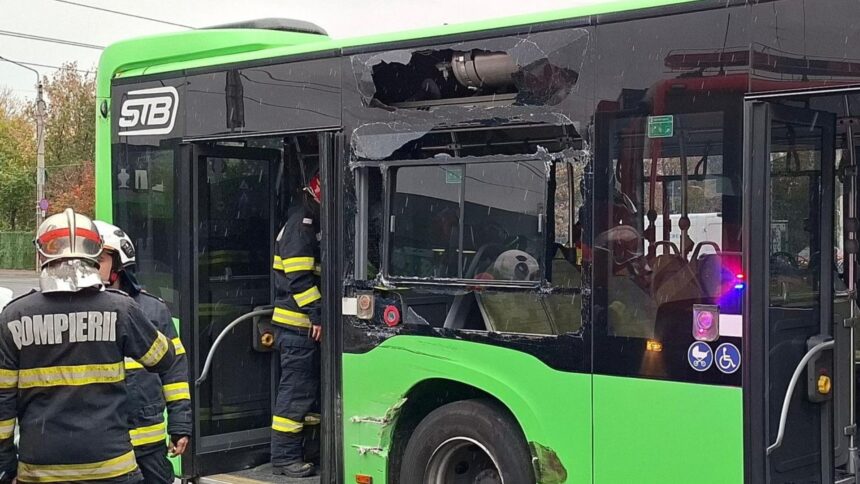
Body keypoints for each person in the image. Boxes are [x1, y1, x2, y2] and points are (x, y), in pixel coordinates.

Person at [0, 208, 177, 483]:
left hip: (40, 469)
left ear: (42, 255)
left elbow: (3, 404)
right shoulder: (121, 309)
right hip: (111, 467)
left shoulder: (14, 316)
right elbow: (164, 358)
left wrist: (7, 466)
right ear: (94, 255)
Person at [94, 220, 191, 484]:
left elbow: (175, 373)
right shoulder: (77, 312)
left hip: (149, 444)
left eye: (99, 260)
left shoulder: (153, 311)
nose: (90, 267)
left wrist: (180, 425)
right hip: (102, 446)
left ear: (119, 264)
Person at [270, 173, 322, 478]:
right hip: (297, 328)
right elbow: (299, 279)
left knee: (308, 393)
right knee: (295, 393)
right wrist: (317, 315)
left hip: (304, 329)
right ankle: (284, 457)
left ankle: (307, 450)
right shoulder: (301, 225)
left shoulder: (311, 222)